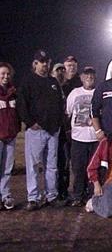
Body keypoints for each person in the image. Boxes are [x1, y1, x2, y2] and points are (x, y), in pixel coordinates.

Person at [17, 50, 64, 211]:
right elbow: (21, 105)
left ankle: (51, 195)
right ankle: (33, 197)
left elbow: (60, 104)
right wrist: (30, 123)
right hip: (36, 130)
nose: (44, 64)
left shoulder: (53, 81)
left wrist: (58, 124)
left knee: (52, 166)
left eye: (46, 62)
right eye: (41, 62)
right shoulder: (28, 81)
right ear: (35, 63)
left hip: (52, 131)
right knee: (34, 166)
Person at [66, 66, 99, 207]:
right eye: (86, 75)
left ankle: (92, 195)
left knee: (94, 168)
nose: (89, 77)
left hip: (95, 139)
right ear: (81, 77)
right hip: (78, 138)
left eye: (91, 75)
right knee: (78, 169)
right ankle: (78, 195)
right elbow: (68, 112)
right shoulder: (75, 93)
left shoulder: (99, 92)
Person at [0, 62, 21, 210]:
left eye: (7, 74)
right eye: (2, 74)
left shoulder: (14, 92)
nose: (5, 76)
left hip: (11, 136)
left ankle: (5, 195)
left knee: (7, 169)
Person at [50, 63, 70, 201]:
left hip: (65, 131)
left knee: (64, 162)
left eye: (63, 70)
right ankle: (52, 191)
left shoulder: (69, 88)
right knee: (51, 163)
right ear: (53, 72)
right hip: (52, 129)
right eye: (58, 70)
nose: (61, 73)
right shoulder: (49, 87)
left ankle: (63, 190)